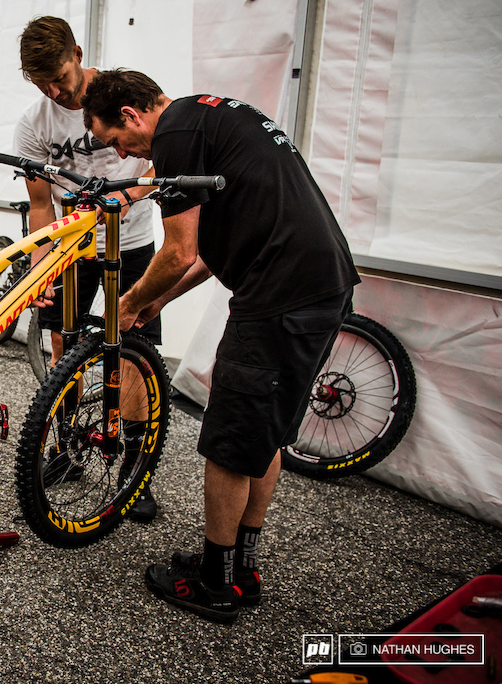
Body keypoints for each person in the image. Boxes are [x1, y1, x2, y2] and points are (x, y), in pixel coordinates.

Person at [81, 70, 360, 623]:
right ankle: (241, 567)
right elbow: (210, 251)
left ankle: (213, 582)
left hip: (278, 297)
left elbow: (179, 249)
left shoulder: (173, 137)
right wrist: (162, 301)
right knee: (265, 435)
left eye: (116, 140)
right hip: (322, 287)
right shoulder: (211, 116)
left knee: (229, 441)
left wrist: (129, 303)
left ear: (132, 115)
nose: (126, 155)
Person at [14, 17, 161, 522]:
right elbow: (39, 204)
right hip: (71, 246)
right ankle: (69, 447)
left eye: (59, 76)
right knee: (63, 342)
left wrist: (127, 195)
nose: (54, 90)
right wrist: (41, 266)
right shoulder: (34, 122)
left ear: (78, 53)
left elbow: (163, 157)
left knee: (134, 349)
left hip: (133, 238)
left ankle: (134, 470)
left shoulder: (124, 92)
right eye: (41, 82)